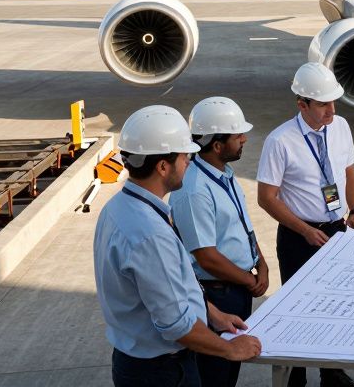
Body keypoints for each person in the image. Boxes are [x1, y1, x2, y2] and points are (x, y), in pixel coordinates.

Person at [94, 105, 261, 387]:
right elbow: (176, 325)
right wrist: (230, 349)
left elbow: (172, 287)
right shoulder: (150, 234)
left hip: (138, 362)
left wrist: (214, 315)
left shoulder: (117, 208)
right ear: (162, 166)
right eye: (185, 156)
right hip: (162, 372)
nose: (189, 163)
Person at [257, 63, 354, 387]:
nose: (331, 110)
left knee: (336, 305)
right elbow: (266, 197)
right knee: (297, 311)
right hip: (298, 235)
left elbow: (349, 172)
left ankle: (332, 373)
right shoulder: (280, 140)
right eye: (322, 104)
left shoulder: (341, 126)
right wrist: (303, 229)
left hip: (337, 230)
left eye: (334, 102)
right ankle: (295, 378)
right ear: (302, 104)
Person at [170, 97, 267, 387]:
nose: (244, 139)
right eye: (237, 136)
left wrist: (260, 263)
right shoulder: (195, 189)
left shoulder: (225, 174)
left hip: (236, 287)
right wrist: (249, 281)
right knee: (215, 375)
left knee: (228, 373)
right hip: (217, 295)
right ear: (216, 145)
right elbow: (206, 256)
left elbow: (240, 225)